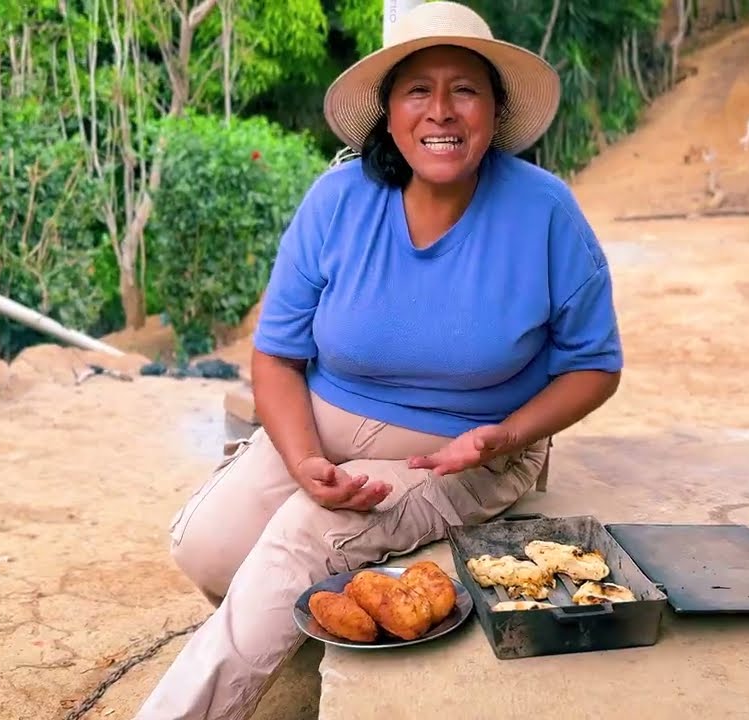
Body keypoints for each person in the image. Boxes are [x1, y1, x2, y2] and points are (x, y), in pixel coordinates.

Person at [135, 2, 623, 718]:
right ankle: (309, 620)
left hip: (464, 450)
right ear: (389, 112)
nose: (442, 111)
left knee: (304, 536)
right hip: (322, 430)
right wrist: (301, 459)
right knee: (205, 547)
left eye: (465, 89)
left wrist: (508, 436)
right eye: (418, 90)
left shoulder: (545, 212)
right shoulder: (338, 200)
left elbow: (595, 365)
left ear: (495, 109)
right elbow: (275, 355)